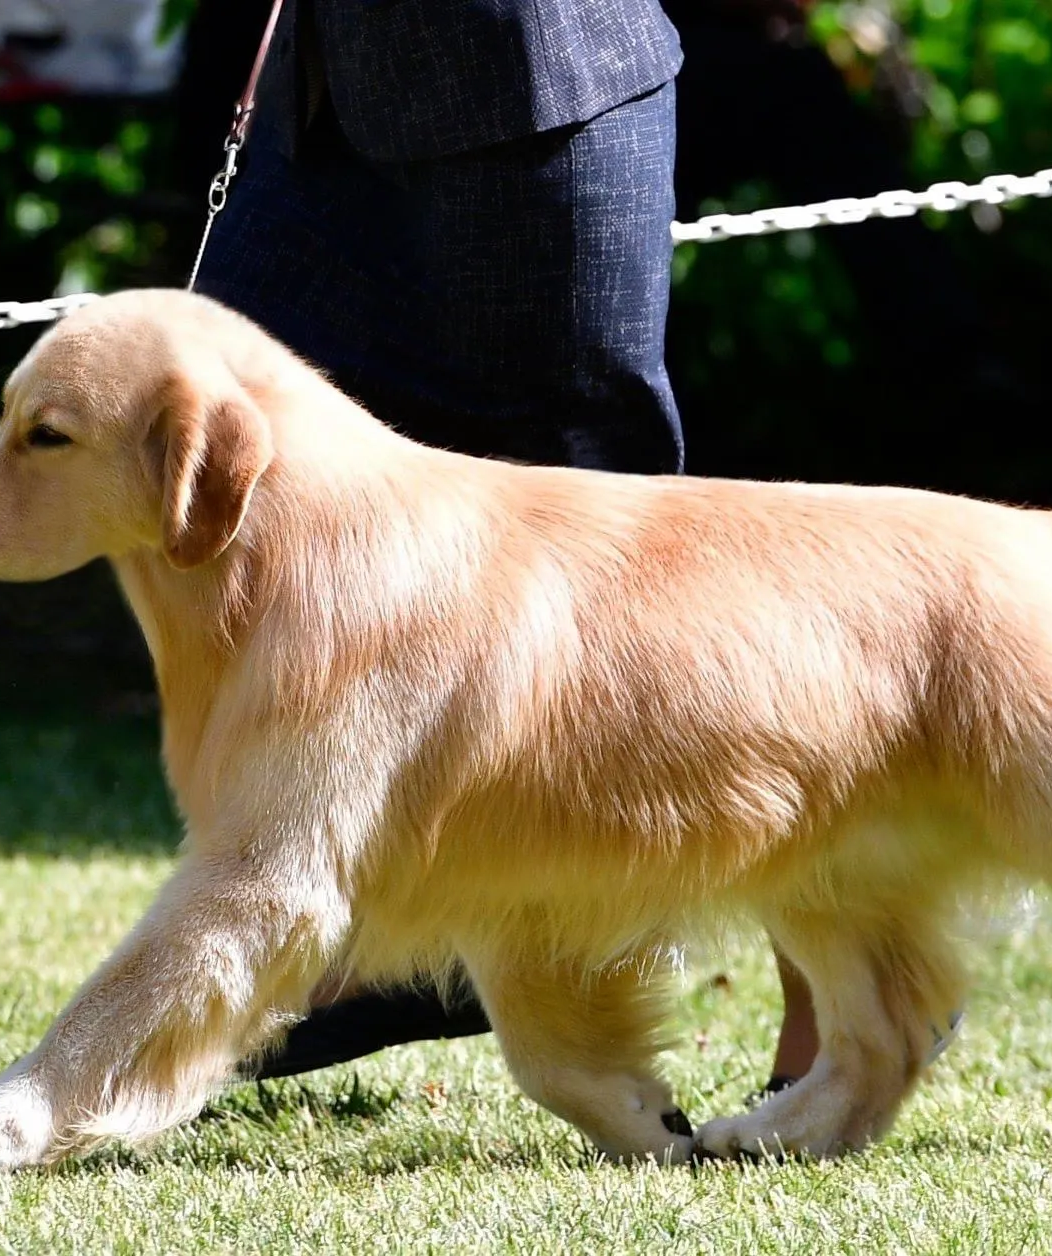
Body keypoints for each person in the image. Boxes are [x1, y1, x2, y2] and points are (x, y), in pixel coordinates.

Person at [172, 0, 825, 1095]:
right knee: (230, 505)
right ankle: (441, 927)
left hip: (532, 70)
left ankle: (844, 971)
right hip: (325, 93)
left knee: (608, 575)